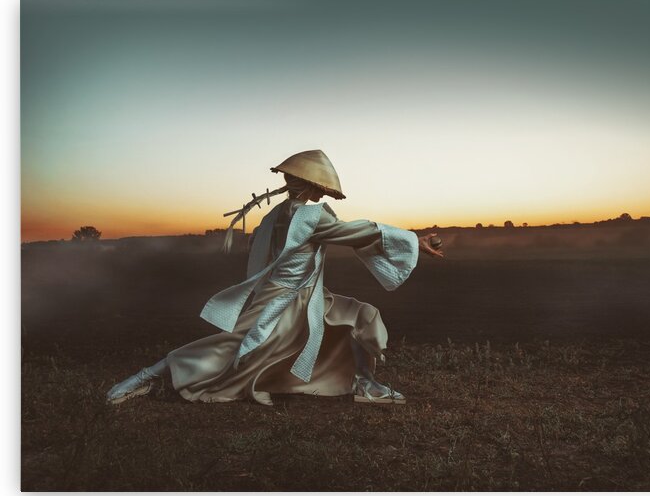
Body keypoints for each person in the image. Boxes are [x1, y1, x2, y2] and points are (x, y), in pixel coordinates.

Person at [106, 149, 443, 406]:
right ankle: (146, 375)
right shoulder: (311, 217)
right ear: (310, 185)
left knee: (361, 314)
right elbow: (361, 230)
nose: (324, 193)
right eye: (320, 187)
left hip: (306, 296)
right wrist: (415, 239)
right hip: (284, 299)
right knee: (231, 346)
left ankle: (364, 382)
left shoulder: (279, 213)